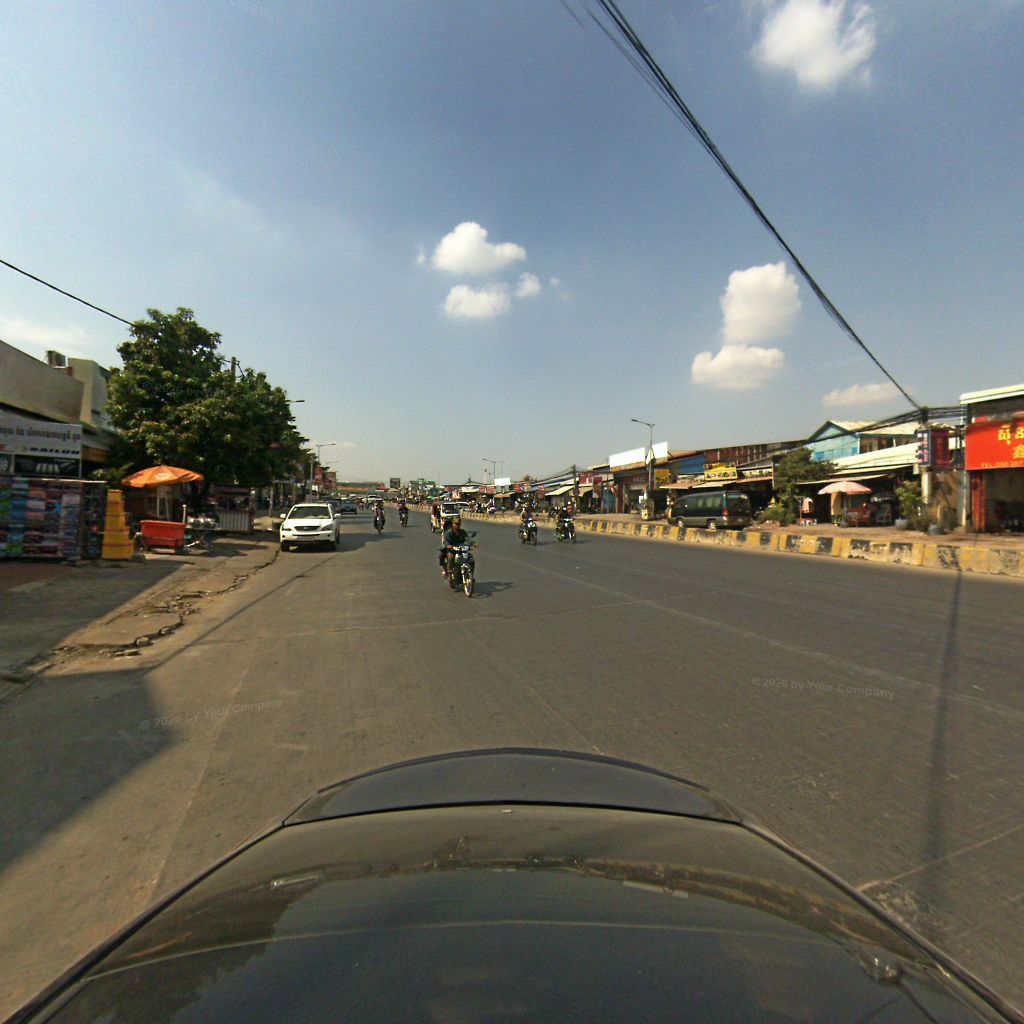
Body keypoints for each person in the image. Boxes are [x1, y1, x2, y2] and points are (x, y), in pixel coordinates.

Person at [442, 514, 470, 585]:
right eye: (456, 524)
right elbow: (446, 541)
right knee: (450, 557)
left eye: (459, 524)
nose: (458, 525)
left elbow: (467, 539)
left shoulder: (462, 532)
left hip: (461, 549)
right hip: (452, 550)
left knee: (470, 558)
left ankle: (470, 573)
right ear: (453, 524)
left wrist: (473, 544)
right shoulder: (449, 533)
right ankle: (450, 573)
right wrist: (448, 546)